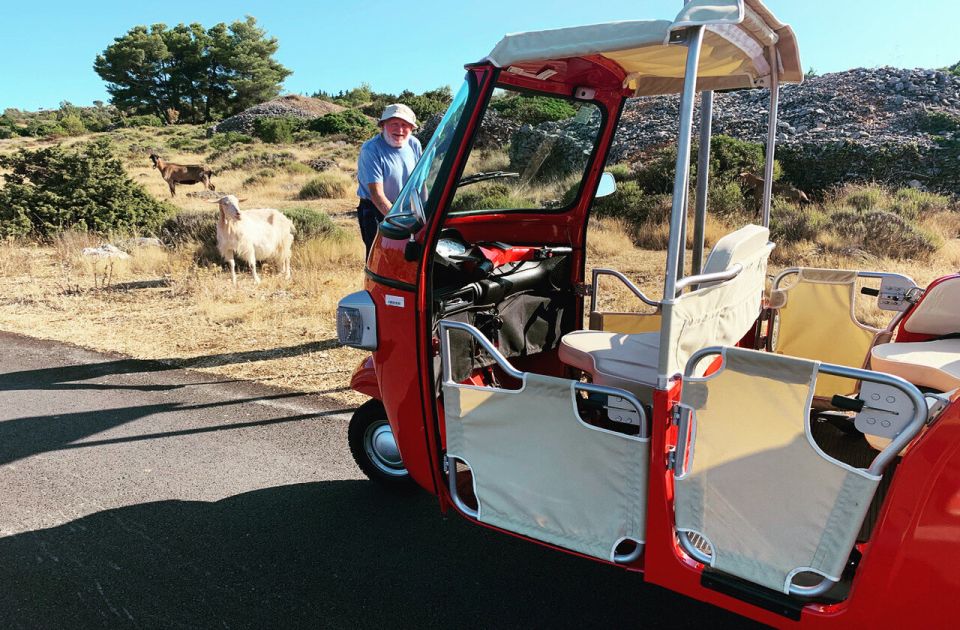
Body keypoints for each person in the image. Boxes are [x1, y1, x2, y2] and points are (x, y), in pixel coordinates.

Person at [356, 103, 422, 257]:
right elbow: (377, 195)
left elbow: (420, 181)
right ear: (383, 125)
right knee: (379, 257)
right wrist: (400, 223)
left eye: (405, 125)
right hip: (376, 209)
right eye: (394, 124)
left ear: (412, 128)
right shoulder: (371, 149)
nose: (399, 130)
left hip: (408, 207)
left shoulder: (414, 144)